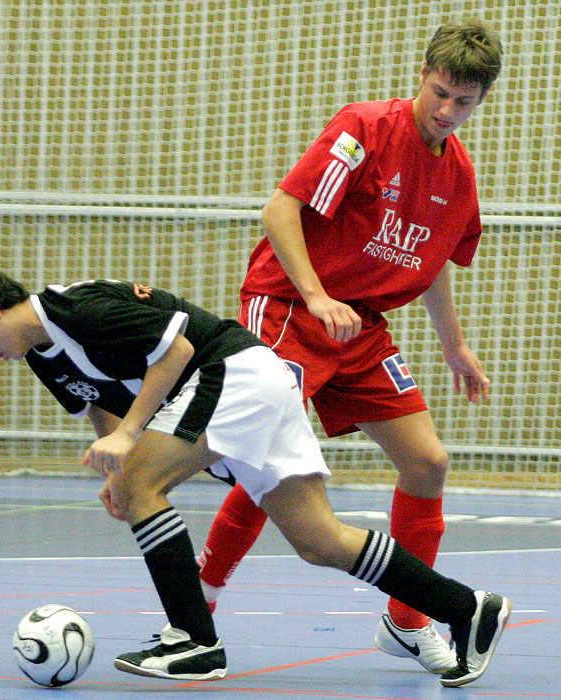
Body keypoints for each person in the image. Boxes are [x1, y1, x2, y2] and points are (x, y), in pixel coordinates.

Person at [0, 264, 510, 688]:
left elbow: (176, 352)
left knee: (143, 485)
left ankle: (195, 641)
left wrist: (130, 445)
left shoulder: (75, 309)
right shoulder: (42, 354)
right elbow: (99, 405)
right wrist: (114, 462)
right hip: (254, 388)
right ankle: (466, 608)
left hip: (231, 372)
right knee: (319, 540)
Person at [196, 18, 503, 674]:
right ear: (422, 76)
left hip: (358, 327)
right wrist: (312, 296)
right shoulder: (365, 129)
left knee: (426, 462)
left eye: (463, 101)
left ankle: (406, 620)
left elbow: (434, 262)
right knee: (266, 457)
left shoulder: (459, 178)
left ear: (481, 101)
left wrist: (454, 348)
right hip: (287, 304)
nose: (447, 111)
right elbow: (280, 210)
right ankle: (199, 603)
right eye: (440, 93)